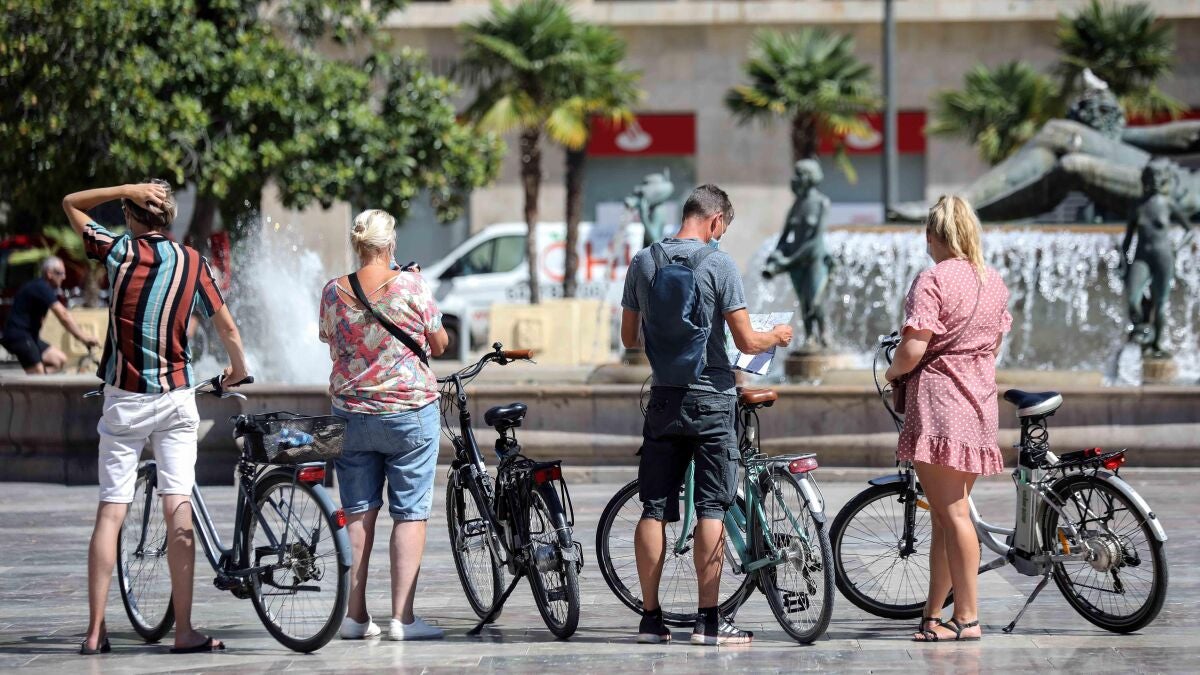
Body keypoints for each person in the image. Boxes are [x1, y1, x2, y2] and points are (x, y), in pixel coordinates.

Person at [61, 181, 250, 655]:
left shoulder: (118, 252)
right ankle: (183, 630)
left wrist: (125, 188)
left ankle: (94, 633)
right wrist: (238, 370)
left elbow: (71, 204)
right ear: (167, 218)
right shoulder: (192, 262)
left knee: (111, 509)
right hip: (175, 399)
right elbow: (227, 327)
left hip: (124, 399)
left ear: (131, 215)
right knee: (177, 503)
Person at [620, 184, 793, 646]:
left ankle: (651, 620)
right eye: (723, 228)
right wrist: (776, 335)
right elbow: (747, 341)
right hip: (712, 400)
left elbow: (628, 339)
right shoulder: (719, 264)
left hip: (663, 399)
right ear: (716, 221)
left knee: (654, 509)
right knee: (712, 507)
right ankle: (709, 622)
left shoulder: (644, 261)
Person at [883, 195, 1012, 643]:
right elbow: (994, 346)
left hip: (941, 405)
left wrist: (892, 372)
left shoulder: (932, 279)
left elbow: (913, 349)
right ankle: (933, 613)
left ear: (932, 236)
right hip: (979, 404)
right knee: (944, 513)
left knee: (954, 514)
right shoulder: (991, 280)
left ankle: (969, 618)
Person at [318, 209, 449, 641]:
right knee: (409, 513)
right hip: (408, 412)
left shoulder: (333, 290)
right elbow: (440, 342)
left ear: (357, 244)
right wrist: (411, 283)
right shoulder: (412, 285)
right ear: (390, 244)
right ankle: (402, 619)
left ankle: (355, 617)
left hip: (352, 412)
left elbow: (329, 338)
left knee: (358, 512)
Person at [1, 255, 100, 373]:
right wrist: (83, 338)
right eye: (60, 273)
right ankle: (32, 378)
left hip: (31, 336)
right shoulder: (41, 287)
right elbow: (63, 315)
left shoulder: (44, 288)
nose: (64, 277)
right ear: (49, 274)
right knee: (38, 373)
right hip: (19, 336)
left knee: (59, 360)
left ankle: (32, 378)